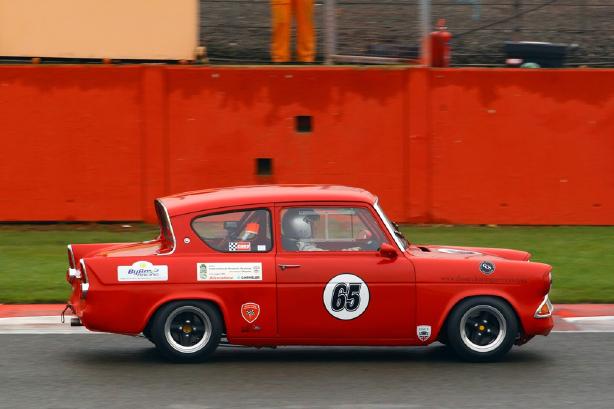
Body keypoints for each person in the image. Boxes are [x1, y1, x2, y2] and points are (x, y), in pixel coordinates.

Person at [282, 209, 365, 252]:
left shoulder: (298, 245)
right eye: (311, 224)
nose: (315, 228)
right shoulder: (303, 248)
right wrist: (356, 250)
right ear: (299, 225)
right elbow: (330, 256)